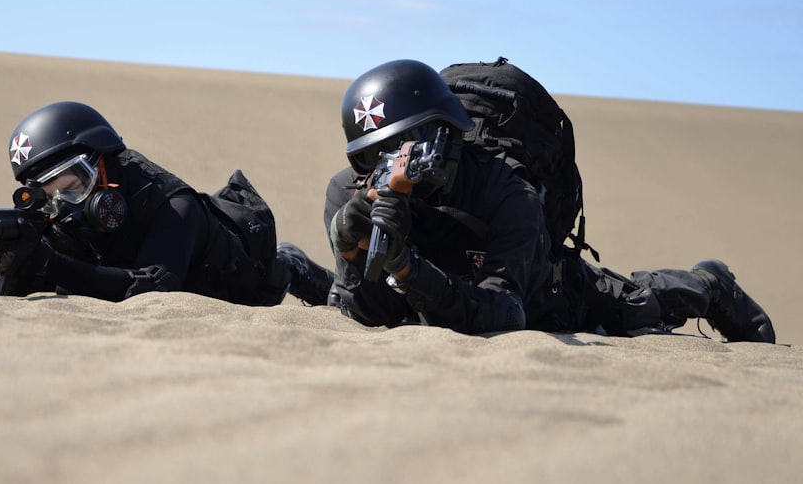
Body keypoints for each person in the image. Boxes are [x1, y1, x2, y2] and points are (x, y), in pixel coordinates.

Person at [323, 59, 776, 343]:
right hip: (434, 302)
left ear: (444, 133)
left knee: (636, 305)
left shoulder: (505, 189)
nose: (392, 162)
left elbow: (505, 314)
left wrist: (406, 269)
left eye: (406, 143)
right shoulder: (350, 193)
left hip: (540, 293)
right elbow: (371, 314)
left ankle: (710, 285)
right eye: (372, 153)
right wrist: (350, 255)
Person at [0, 101, 333, 306]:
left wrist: (49, 264)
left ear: (104, 165)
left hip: (243, 275)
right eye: (49, 194)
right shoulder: (54, 216)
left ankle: (294, 263)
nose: (65, 205)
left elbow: (151, 288)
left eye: (75, 184)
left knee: (284, 273)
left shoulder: (173, 205)